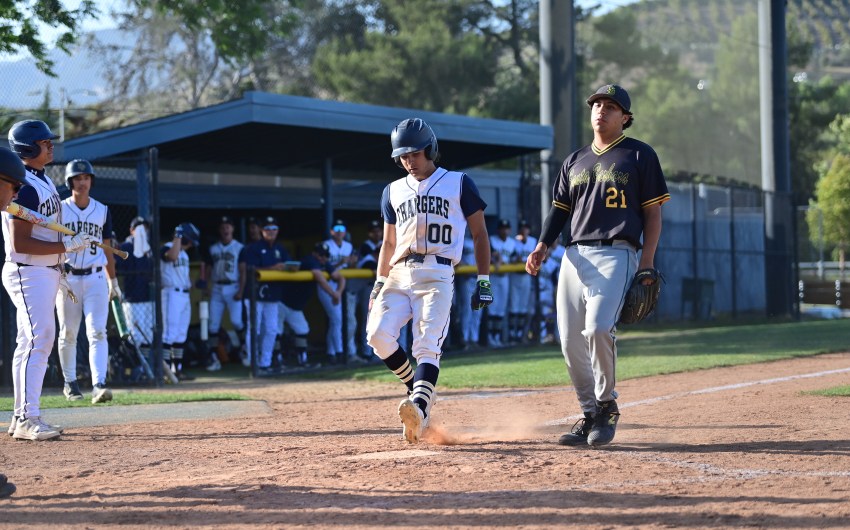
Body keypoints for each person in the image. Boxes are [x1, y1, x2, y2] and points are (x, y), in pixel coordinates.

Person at [526, 84, 670, 447]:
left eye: (610, 106)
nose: (601, 110)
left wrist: (647, 262)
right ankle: (590, 413)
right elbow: (559, 211)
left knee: (598, 328)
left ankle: (607, 406)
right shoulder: (574, 160)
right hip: (573, 256)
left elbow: (653, 213)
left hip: (616, 253)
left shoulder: (639, 155)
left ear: (625, 117)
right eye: (597, 104)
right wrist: (542, 245)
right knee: (569, 341)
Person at [367, 118, 492, 444]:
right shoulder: (392, 190)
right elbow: (388, 242)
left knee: (427, 343)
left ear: (430, 150)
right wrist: (379, 282)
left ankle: (420, 409)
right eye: (403, 156)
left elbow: (480, 234)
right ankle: (417, 390)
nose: (409, 161)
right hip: (398, 272)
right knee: (377, 335)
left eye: (415, 154)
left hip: (437, 272)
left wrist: (483, 280)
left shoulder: (459, 183)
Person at [3, 122, 93, 441]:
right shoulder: (25, 186)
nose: (51, 145)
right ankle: (28, 418)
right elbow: (19, 243)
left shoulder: (41, 181)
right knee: (40, 340)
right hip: (29, 270)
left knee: (29, 343)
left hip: (44, 270)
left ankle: (20, 415)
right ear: (28, 148)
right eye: (44, 142)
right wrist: (65, 247)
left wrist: (60, 261)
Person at [55, 159, 119, 404]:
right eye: (77, 178)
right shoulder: (60, 209)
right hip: (68, 277)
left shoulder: (102, 210)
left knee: (98, 331)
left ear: (92, 180)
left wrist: (113, 281)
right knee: (68, 332)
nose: (82, 182)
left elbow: (108, 248)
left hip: (95, 277)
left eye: (86, 177)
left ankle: (98, 384)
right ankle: (70, 383)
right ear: (69, 182)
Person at [239, 215, 291, 374]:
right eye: (267, 229)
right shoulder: (252, 248)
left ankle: (265, 363)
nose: (271, 231)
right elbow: (250, 269)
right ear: (262, 231)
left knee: (271, 329)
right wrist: (273, 268)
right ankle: (253, 362)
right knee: (254, 328)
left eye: (274, 228)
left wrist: (288, 268)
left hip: (273, 293)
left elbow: (289, 264)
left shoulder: (280, 248)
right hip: (254, 293)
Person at [280, 242, 342, 367]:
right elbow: (319, 277)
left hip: (295, 306)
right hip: (282, 301)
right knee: (274, 332)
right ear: (314, 253)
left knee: (302, 329)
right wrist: (333, 294)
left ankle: (302, 360)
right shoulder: (310, 260)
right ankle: (275, 361)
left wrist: (338, 293)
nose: (323, 258)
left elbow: (340, 277)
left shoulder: (324, 263)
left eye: (326, 255)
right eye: (321, 255)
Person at [202, 215, 245, 371]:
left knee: (237, 321)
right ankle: (214, 357)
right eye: (223, 227)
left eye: (228, 226)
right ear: (219, 230)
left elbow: (243, 271)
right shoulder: (213, 248)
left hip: (233, 286)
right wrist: (206, 285)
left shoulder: (239, 247)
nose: (226, 229)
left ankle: (245, 349)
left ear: (233, 229)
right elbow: (208, 267)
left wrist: (241, 290)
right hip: (217, 287)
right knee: (213, 324)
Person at [161, 221, 201, 381]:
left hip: (184, 295)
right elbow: (171, 257)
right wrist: (177, 237)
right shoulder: (167, 247)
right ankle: (165, 371)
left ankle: (177, 370)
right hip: (171, 293)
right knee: (169, 333)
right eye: (189, 240)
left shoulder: (185, 254)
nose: (190, 245)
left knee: (181, 334)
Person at [116, 216, 155, 363]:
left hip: (147, 297)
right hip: (132, 298)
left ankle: (143, 366)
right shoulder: (126, 246)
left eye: (145, 228)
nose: (142, 231)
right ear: (131, 230)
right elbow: (117, 266)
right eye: (139, 228)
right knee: (134, 336)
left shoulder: (148, 248)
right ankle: (127, 363)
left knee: (147, 334)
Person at [321, 219, 356, 363]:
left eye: (342, 228)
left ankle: (332, 352)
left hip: (341, 284)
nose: (340, 231)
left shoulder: (348, 246)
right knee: (337, 319)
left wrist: (352, 262)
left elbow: (351, 267)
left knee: (336, 320)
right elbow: (323, 266)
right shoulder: (325, 245)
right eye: (336, 228)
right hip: (327, 283)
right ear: (331, 231)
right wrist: (340, 262)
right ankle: (340, 352)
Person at [352, 219, 383, 359]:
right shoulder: (366, 248)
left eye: (378, 231)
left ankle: (377, 352)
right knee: (367, 320)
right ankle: (366, 352)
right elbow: (370, 265)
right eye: (373, 231)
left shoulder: (382, 243)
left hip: (380, 287)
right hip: (364, 287)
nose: (377, 234)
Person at [487, 218, 516, 347]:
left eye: (506, 228)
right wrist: (497, 260)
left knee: (501, 308)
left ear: (509, 230)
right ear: (498, 230)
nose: (504, 231)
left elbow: (514, 258)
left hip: (505, 277)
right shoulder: (492, 240)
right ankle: (490, 337)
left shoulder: (512, 243)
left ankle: (497, 336)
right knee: (492, 307)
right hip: (493, 276)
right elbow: (490, 255)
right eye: (502, 228)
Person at [508, 220, 537, 343]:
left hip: (526, 276)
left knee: (523, 306)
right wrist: (516, 259)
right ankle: (512, 335)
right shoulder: (513, 242)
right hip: (515, 276)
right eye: (522, 228)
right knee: (513, 305)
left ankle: (520, 334)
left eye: (526, 228)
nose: (524, 230)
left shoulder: (533, 241)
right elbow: (510, 258)